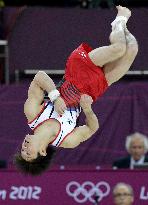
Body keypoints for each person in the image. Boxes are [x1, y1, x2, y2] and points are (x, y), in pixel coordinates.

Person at [14, 6, 138, 175]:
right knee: (132, 49)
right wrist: (87, 110)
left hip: (77, 72)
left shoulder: (32, 114)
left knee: (118, 49)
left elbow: (39, 77)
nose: (24, 147)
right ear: (42, 152)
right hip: (94, 90)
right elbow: (92, 128)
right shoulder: (67, 140)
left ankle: (120, 20)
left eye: (22, 150)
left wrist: (55, 96)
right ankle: (122, 26)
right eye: (28, 153)